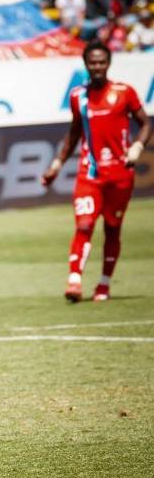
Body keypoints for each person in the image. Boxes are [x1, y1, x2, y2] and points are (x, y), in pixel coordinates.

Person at [42, 40, 151, 302]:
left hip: (121, 175)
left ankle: (103, 284)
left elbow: (145, 124)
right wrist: (57, 165)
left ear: (108, 63)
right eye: (93, 63)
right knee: (85, 223)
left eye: (101, 62)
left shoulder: (125, 92)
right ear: (86, 65)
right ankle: (74, 281)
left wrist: (137, 147)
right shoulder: (78, 96)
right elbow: (74, 133)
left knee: (112, 229)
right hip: (90, 175)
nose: (97, 67)